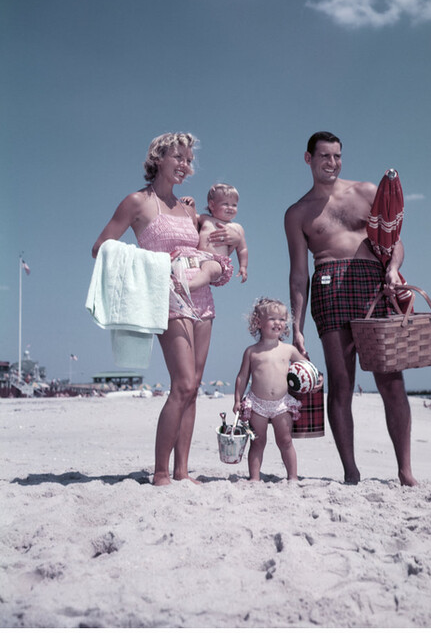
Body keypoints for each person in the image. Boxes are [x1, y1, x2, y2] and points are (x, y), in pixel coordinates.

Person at [91, 132, 241, 486]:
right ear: (158, 157)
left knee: (195, 387)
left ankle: (182, 471)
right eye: (179, 157)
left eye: (189, 160)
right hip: (167, 295)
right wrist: (155, 266)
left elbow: (211, 249)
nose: (186, 166)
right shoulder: (136, 202)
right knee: (183, 384)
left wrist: (230, 247)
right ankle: (160, 471)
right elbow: (101, 248)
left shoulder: (190, 209)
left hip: (202, 299)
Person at [284, 131, 417, 486]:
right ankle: (351, 471)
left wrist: (391, 269)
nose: (332, 163)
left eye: (337, 156)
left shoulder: (366, 191)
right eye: (325, 156)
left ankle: (404, 470)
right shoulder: (297, 212)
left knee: (392, 382)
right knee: (341, 384)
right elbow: (299, 274)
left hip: (374, 282)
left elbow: (394, 240)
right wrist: (295, 326)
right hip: (328, 285)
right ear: (308, 158)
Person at [233, 297, 305, 482]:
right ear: (258, 322)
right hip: (257, 403)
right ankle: (254, 478)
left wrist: (316, 379)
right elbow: (242, 377)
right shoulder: (252, 351)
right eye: (272, 318)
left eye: (282, 319)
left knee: (286, 441)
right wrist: (237, 400)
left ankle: (293, 477)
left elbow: (307, 369)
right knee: (257, 442)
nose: (278, 323)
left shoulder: (288, 350)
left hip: (282, 403)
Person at [173, 182, 249, 292]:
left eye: (234, 205)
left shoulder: (236, 227)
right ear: (212, 205)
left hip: (216, 261)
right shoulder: (205, 219)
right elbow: (191, 217)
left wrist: (243, 266)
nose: (230, 208)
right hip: (197, 256)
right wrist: (192, 205)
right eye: (226, 204)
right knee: (178, 264)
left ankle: (189, 286)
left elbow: (242, 249)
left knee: (208, 270)